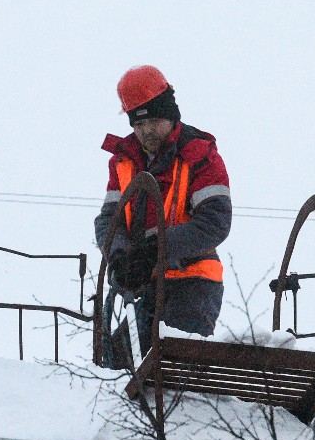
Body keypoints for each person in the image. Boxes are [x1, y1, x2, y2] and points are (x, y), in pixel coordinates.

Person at [94, 65, 231, 356]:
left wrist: (154, 249)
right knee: (117, 362)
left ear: (170, 114)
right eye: (138, 124)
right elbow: (109, 221)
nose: (146, 131)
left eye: (154, 121)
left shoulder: (200, 155)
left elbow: (214, 223)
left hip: (193, 283)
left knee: (167, 368)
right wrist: (118, 255)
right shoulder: (123, 162)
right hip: (148, 287)